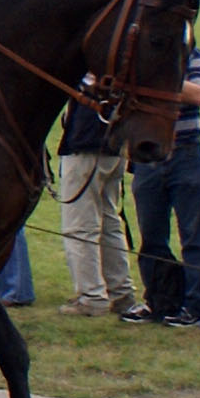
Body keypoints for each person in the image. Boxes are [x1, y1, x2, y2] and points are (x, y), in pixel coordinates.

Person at [126, 36, 200, 325]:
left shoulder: (192, 57)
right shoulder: (140, 59)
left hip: (186, 153)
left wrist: (158, 84)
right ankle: (158, 300)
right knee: (151, 235)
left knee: (193, 235)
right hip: (149, 156)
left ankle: (195, 304)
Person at [55, 97, 136, 316]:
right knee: (108, 221)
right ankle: (120, 291)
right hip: (113, 142)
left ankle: (91, 296)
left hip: (88, 139)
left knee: (80, 226)